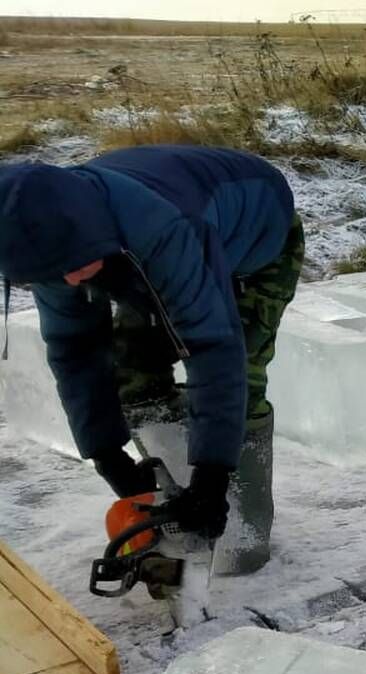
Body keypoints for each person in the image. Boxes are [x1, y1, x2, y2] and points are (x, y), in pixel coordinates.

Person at [0, 145, 301, 576]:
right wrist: (106, 452)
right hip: (135, 249)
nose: (67, 280)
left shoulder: (161, 229)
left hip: (259, 237)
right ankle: (175, 495)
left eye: (72, 264)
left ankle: (241, 538)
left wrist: (213, 477)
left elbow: (212, 347)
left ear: (87, 229)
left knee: (243, 376)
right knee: (134, 368)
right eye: (51, 272)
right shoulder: (49, 241)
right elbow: (75, 348)